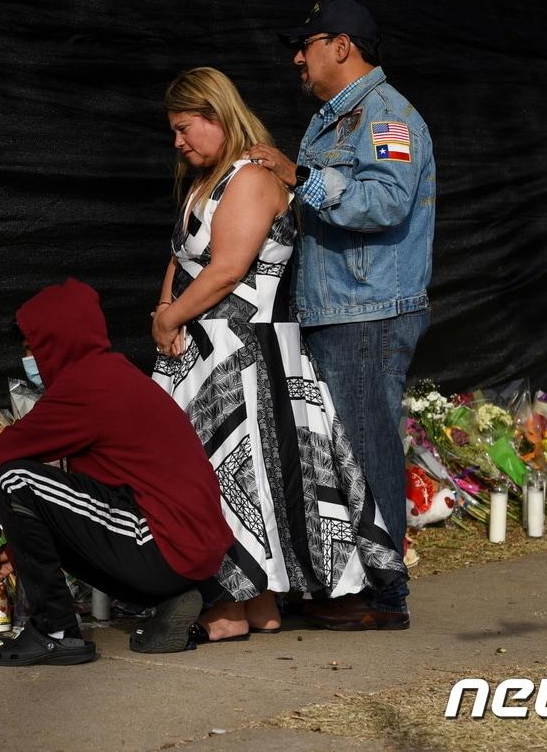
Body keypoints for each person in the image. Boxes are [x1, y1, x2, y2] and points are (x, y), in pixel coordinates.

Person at [152, 66, 405, 641]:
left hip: (241, 352)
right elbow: (183, 254)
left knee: (237, 475)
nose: (179, 141)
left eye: (186, 127)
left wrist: (171, 315)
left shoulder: (250, 178)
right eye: (173, 131)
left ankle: (232, 607)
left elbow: (226, 269)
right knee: (237, 476)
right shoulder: (205, 179)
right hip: (203, 349)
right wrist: (163, 309)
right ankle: (258, 603)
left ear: (217, 116)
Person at [245, 0, 436, 630]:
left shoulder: (387, 117)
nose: (297, 57)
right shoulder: (334, 120)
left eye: (307, 43)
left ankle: (383, 594)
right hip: (337, 309)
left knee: (365, 441)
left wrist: (300, 176)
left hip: (368, 311)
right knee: (342, 449)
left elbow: (384, 202)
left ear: (344, 46)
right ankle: (347, 586)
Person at [0, 278, 234, 666]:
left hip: (164, 543)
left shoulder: (87, 385)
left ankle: (54, 631)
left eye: (33, 348)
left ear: (60, 340)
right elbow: (87, 501)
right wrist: (18, 551)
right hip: (178, 551)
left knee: (14, 479)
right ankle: (171, 598)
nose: (30, 359)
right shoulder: (111, 375)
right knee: (36, 489)